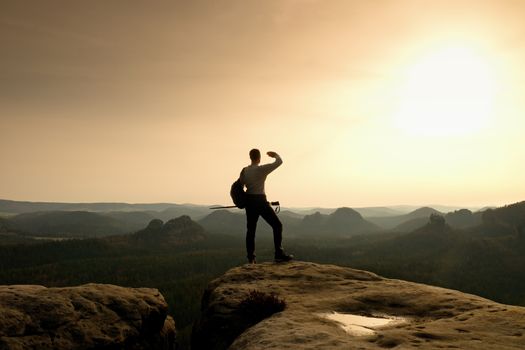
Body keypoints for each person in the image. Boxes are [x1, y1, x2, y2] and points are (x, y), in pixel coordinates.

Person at [239, 148, 293, 264]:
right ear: (259, 158)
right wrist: (275, 155)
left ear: (250, 157)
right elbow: (279, 162)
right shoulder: (261, 169)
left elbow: (240, 186)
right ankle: (278, 254)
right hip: (261, 202)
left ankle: (251, 258)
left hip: (250, 202)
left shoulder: (244, 171)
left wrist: (244, 200)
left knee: (251, 230)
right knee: (277, 225)